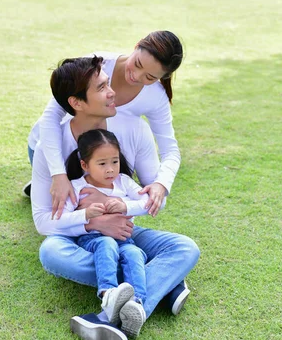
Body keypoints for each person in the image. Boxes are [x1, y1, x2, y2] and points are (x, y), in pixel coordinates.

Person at [31, 55, 200, 340]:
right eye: (101, 87)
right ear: (77, 102)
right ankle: (155, 283)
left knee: (186, 248)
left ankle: (112, 317)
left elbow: (149, 195)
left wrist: (124, 203)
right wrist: (92, 222)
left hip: (124, 232)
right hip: (80, 238)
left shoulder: (134, 128)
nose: (113, 92)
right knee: (50, 252)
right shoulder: (50, 147)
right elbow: (43, 222)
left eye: (108, 83)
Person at [27, 30, 183, 221]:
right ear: (136, 46)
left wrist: (161, 184)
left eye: (149, 77)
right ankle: (45, 182)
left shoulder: (155, 97)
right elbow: (51, 117)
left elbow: (170, 150)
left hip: (101, 151)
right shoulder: (97, 67)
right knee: (65, 206)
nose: (136, 76)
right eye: (138, 64)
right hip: (50, 147)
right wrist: (57, 173)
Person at [66, 128, 164, 338]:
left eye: (115, 161)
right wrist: (86, 214)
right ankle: (109, 295)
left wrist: (124, 205)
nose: (110, 169)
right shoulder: (77, 187)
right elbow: (63, 217)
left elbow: (147, 203)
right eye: (102, 164)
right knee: (106, 245)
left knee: (134, 254)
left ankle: (135, 304)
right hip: (94, 238)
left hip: (124, 237)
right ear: (85, 165)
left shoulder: (123, 182)